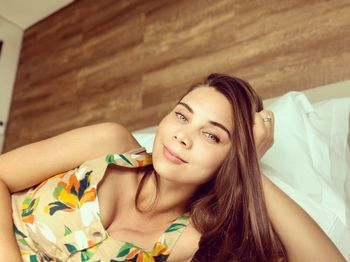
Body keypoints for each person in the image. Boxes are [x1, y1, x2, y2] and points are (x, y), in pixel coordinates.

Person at [0, 73, 345, 261]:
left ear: (232, 159)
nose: (182, 136)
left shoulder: (193, 243)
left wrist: (249, 165)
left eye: (211, 136)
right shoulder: (109, 142)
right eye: (181, 115)